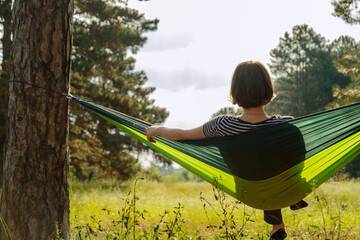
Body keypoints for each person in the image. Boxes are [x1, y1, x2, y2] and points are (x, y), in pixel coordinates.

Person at [145, 60, 307, 240]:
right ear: (268, 89)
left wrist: (158, 130)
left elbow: (183, 135)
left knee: (259, 168)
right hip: (287, 188)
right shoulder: (287, 124)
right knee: (270, 160)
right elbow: (299, 158)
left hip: (249, 189)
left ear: (235, 91)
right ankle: (292, 199)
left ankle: (278, 224)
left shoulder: (222, 125)